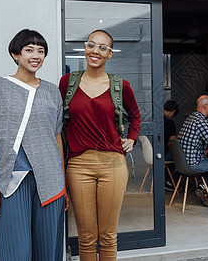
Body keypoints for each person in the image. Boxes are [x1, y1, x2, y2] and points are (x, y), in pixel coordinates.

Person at [0, 29, 68, 260]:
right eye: (29, 50)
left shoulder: (52, 91)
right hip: (12, 180)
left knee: (49, 250)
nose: (36, 55)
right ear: (15, 54)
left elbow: (57, 137)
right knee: (17, 252)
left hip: (50, 180)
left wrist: (63, 185)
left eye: (41, 51)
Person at [59, 30, 141, 261]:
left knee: (107, 236)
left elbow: (136, 115)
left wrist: (132, 138)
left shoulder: (120, 86)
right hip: (78, 166)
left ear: (110, 54)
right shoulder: (68, 83)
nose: (95, 51)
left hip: (113, 165)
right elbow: (57, 123)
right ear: (85, 48)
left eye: (102, 47)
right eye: (91, 45)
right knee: (85, 237)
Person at [164, 100, 179, 191]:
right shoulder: (170, 123)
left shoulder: (155, 119)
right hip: (165, 154)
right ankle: (170, 181)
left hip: (154, 153)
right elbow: (172, 143)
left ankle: (169, 180)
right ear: (173, 112)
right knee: (185, 159)